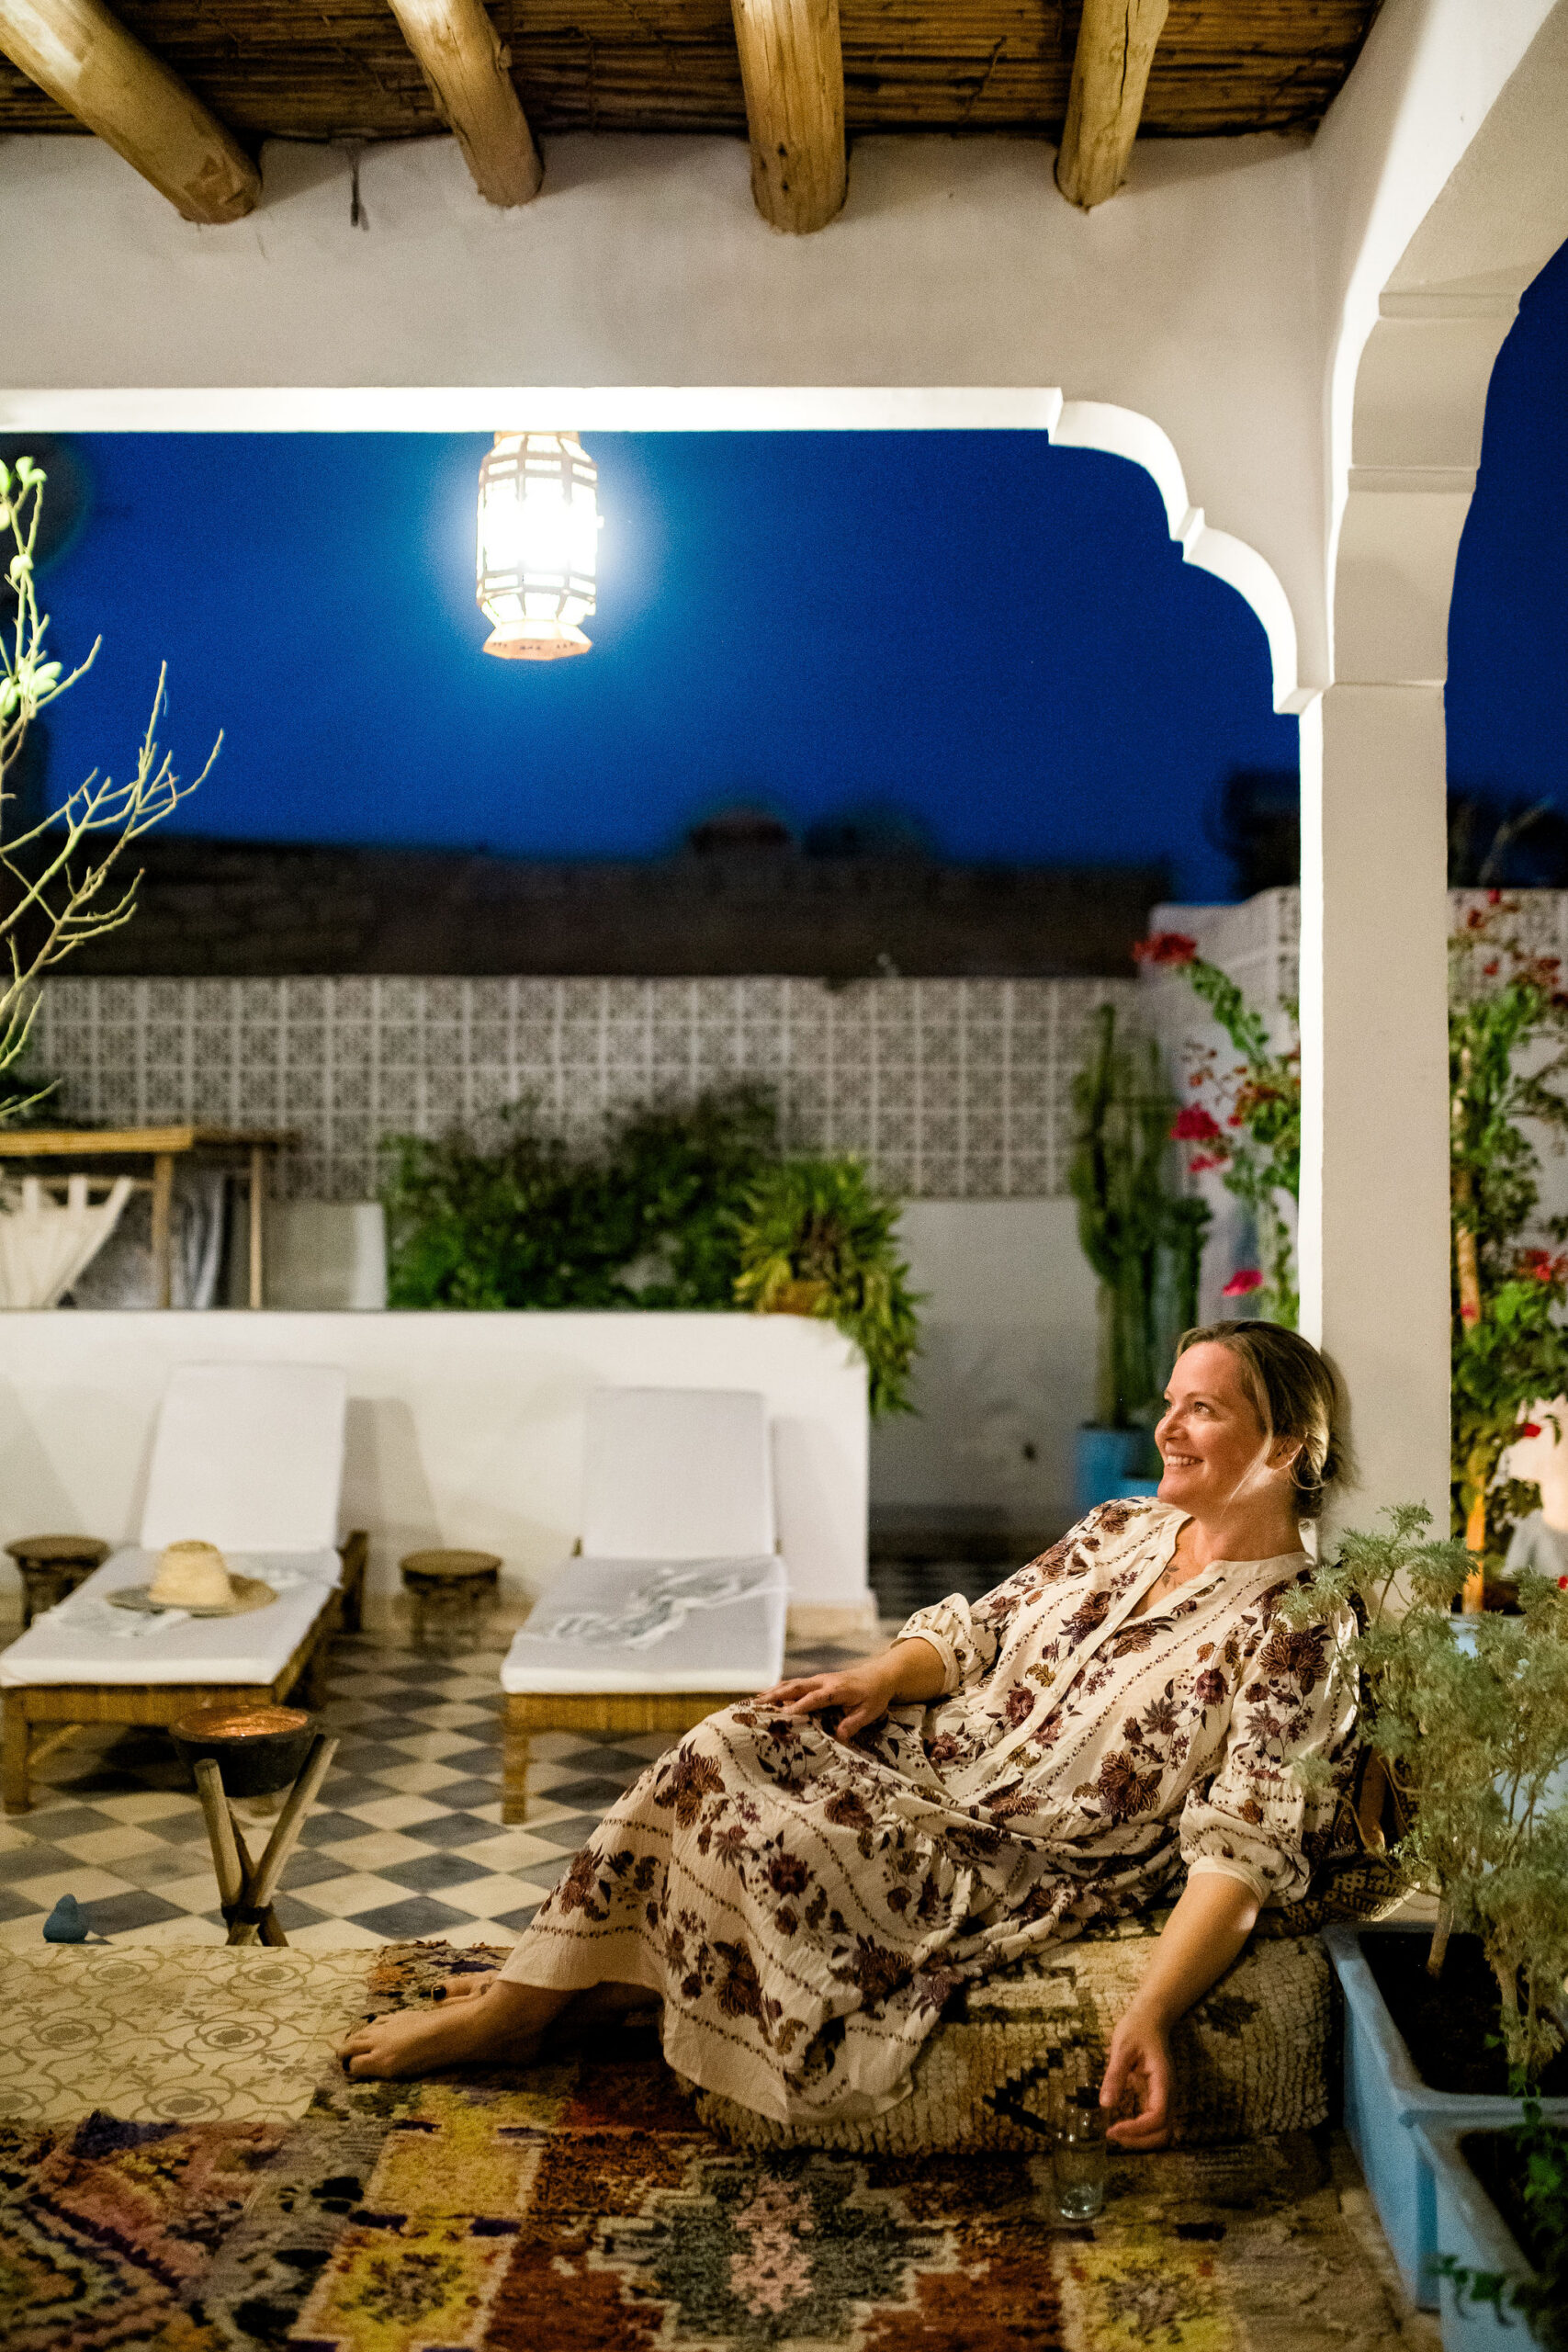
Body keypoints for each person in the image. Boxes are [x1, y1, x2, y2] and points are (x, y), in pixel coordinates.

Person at [338, 1320, 1356, 2151]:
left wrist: (1153, 2010)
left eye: (1203, 1409)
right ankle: (547, 1996)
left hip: (1008, 1851)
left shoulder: (1300, 1625)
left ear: (1284, 1448)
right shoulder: (1119, 1528)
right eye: (1171, 1402)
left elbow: (1243, 1848)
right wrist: (875, 1675)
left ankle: (526, 2011)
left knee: (783, 1841)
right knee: (731, 1740)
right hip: (925, 1756)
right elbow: (973, 1632)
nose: (1168, 1427)